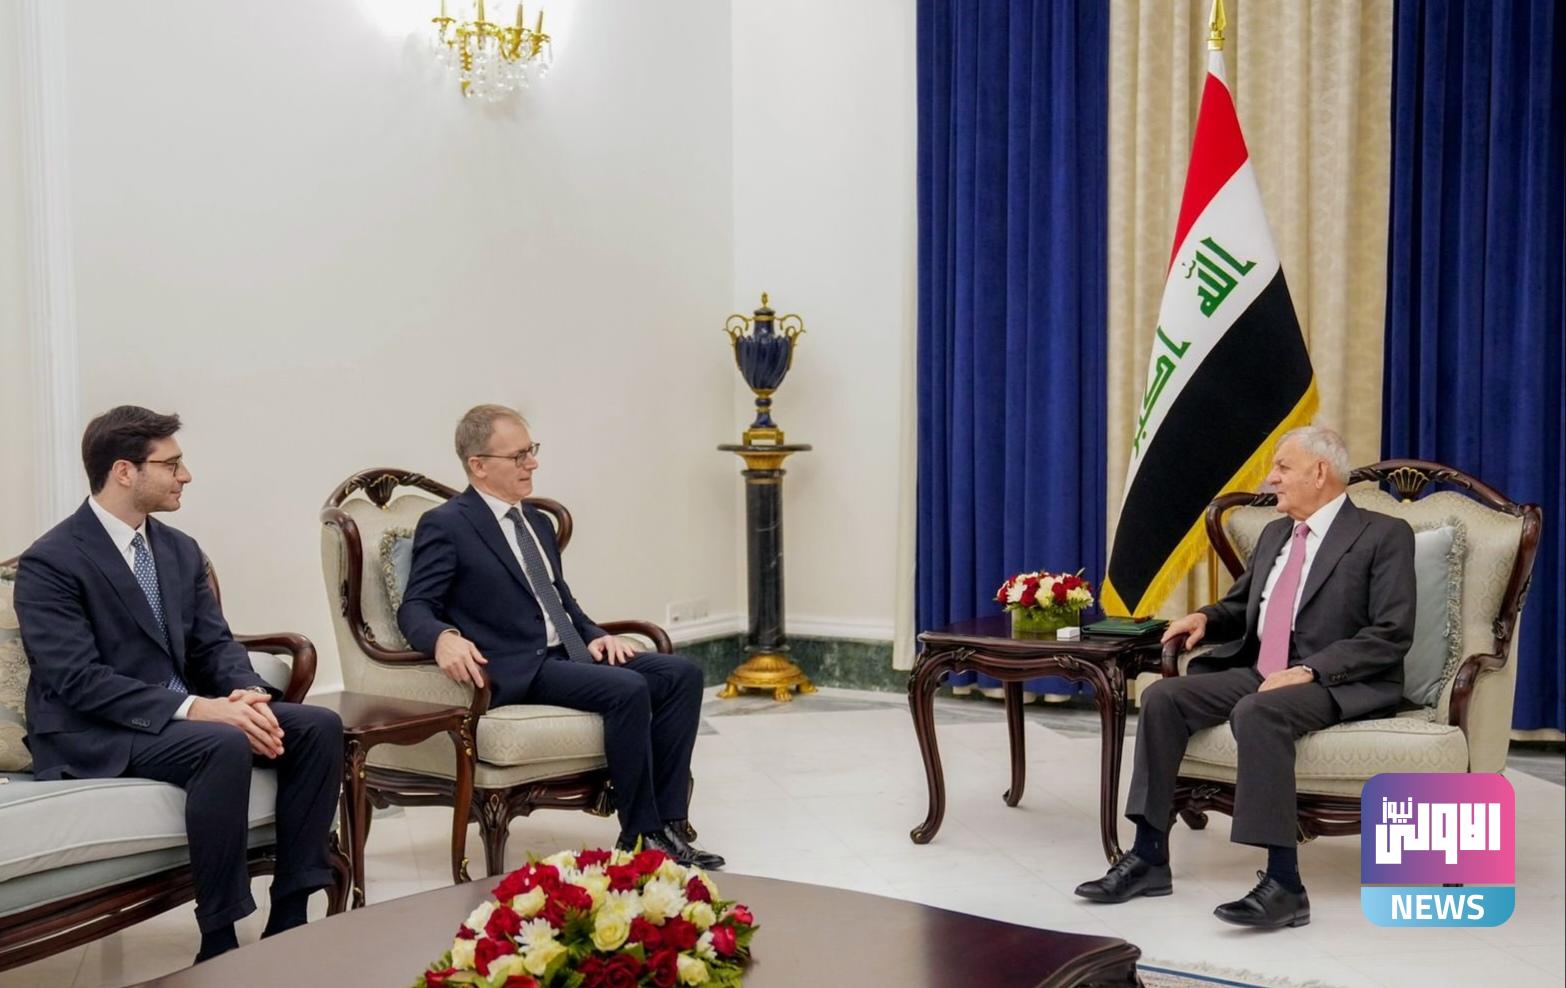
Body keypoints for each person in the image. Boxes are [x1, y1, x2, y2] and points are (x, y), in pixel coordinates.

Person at [15, 406, 343, 961]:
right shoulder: (51, 561)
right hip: (94, 728)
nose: (185, 476)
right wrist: (197, 708)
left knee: (318, 727)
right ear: (125, 471)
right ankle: (219, 939)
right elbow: (77, 679)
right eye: (171, 465)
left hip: (180, 719)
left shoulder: (179, 549)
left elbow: (213, 645)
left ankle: (290, 915)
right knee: (221, 741)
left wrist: (247, 695)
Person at [1075, 425, 1415, 928]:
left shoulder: (1383, 535)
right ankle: (1148, 857)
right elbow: (1240, 608)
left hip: (1338, 679)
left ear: (1319, 472)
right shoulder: (1276, 534)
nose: (1270, 477)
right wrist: (1205, 618)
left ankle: (1284, 885)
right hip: (1264, 669)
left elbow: (1391, 633)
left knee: (1258, 711)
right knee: (1164, 697)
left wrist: (1311, 669)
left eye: (1283, 467)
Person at [398, 404, 723, 870]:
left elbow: (559, 598)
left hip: (568, 651)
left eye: (531, 450)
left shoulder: (536, 521)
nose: (532, 463)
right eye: (519, 456)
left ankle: (671, 824)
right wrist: (443, 637)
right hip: (518, 667)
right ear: (478, 465)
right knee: (628, 688)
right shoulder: (448, 524)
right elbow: (415, 606)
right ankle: (640, 835)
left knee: (681, 675)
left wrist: (593, 635)